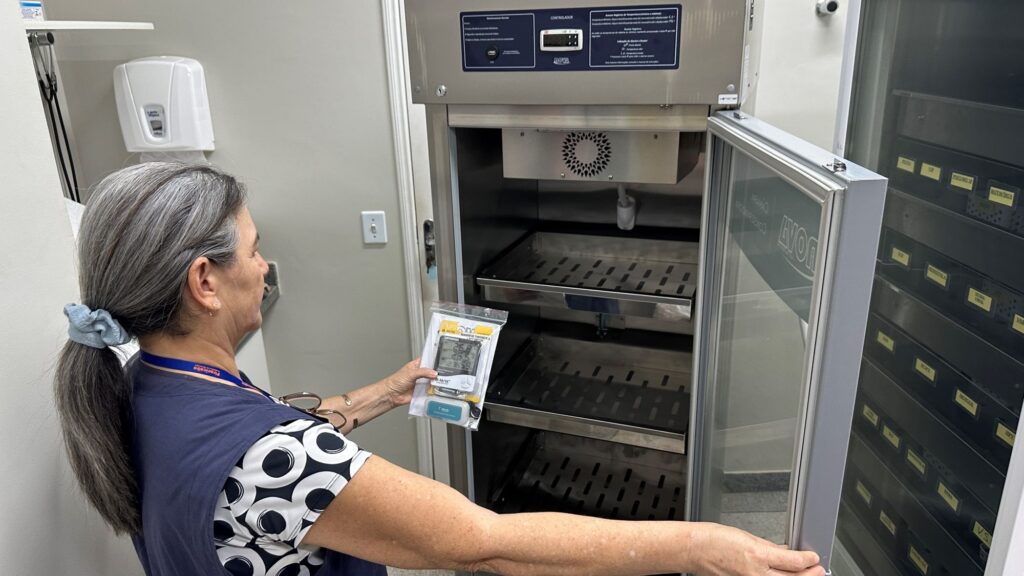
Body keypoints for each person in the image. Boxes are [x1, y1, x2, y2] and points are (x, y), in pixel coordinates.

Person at [54, 163, 824, 576]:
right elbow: (483, 543)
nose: (265, 265)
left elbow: (257, 462)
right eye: (254, 250)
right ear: (204, 281)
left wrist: (375, 396)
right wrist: (698, 547)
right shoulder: (274, 460)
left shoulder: (141, 386)